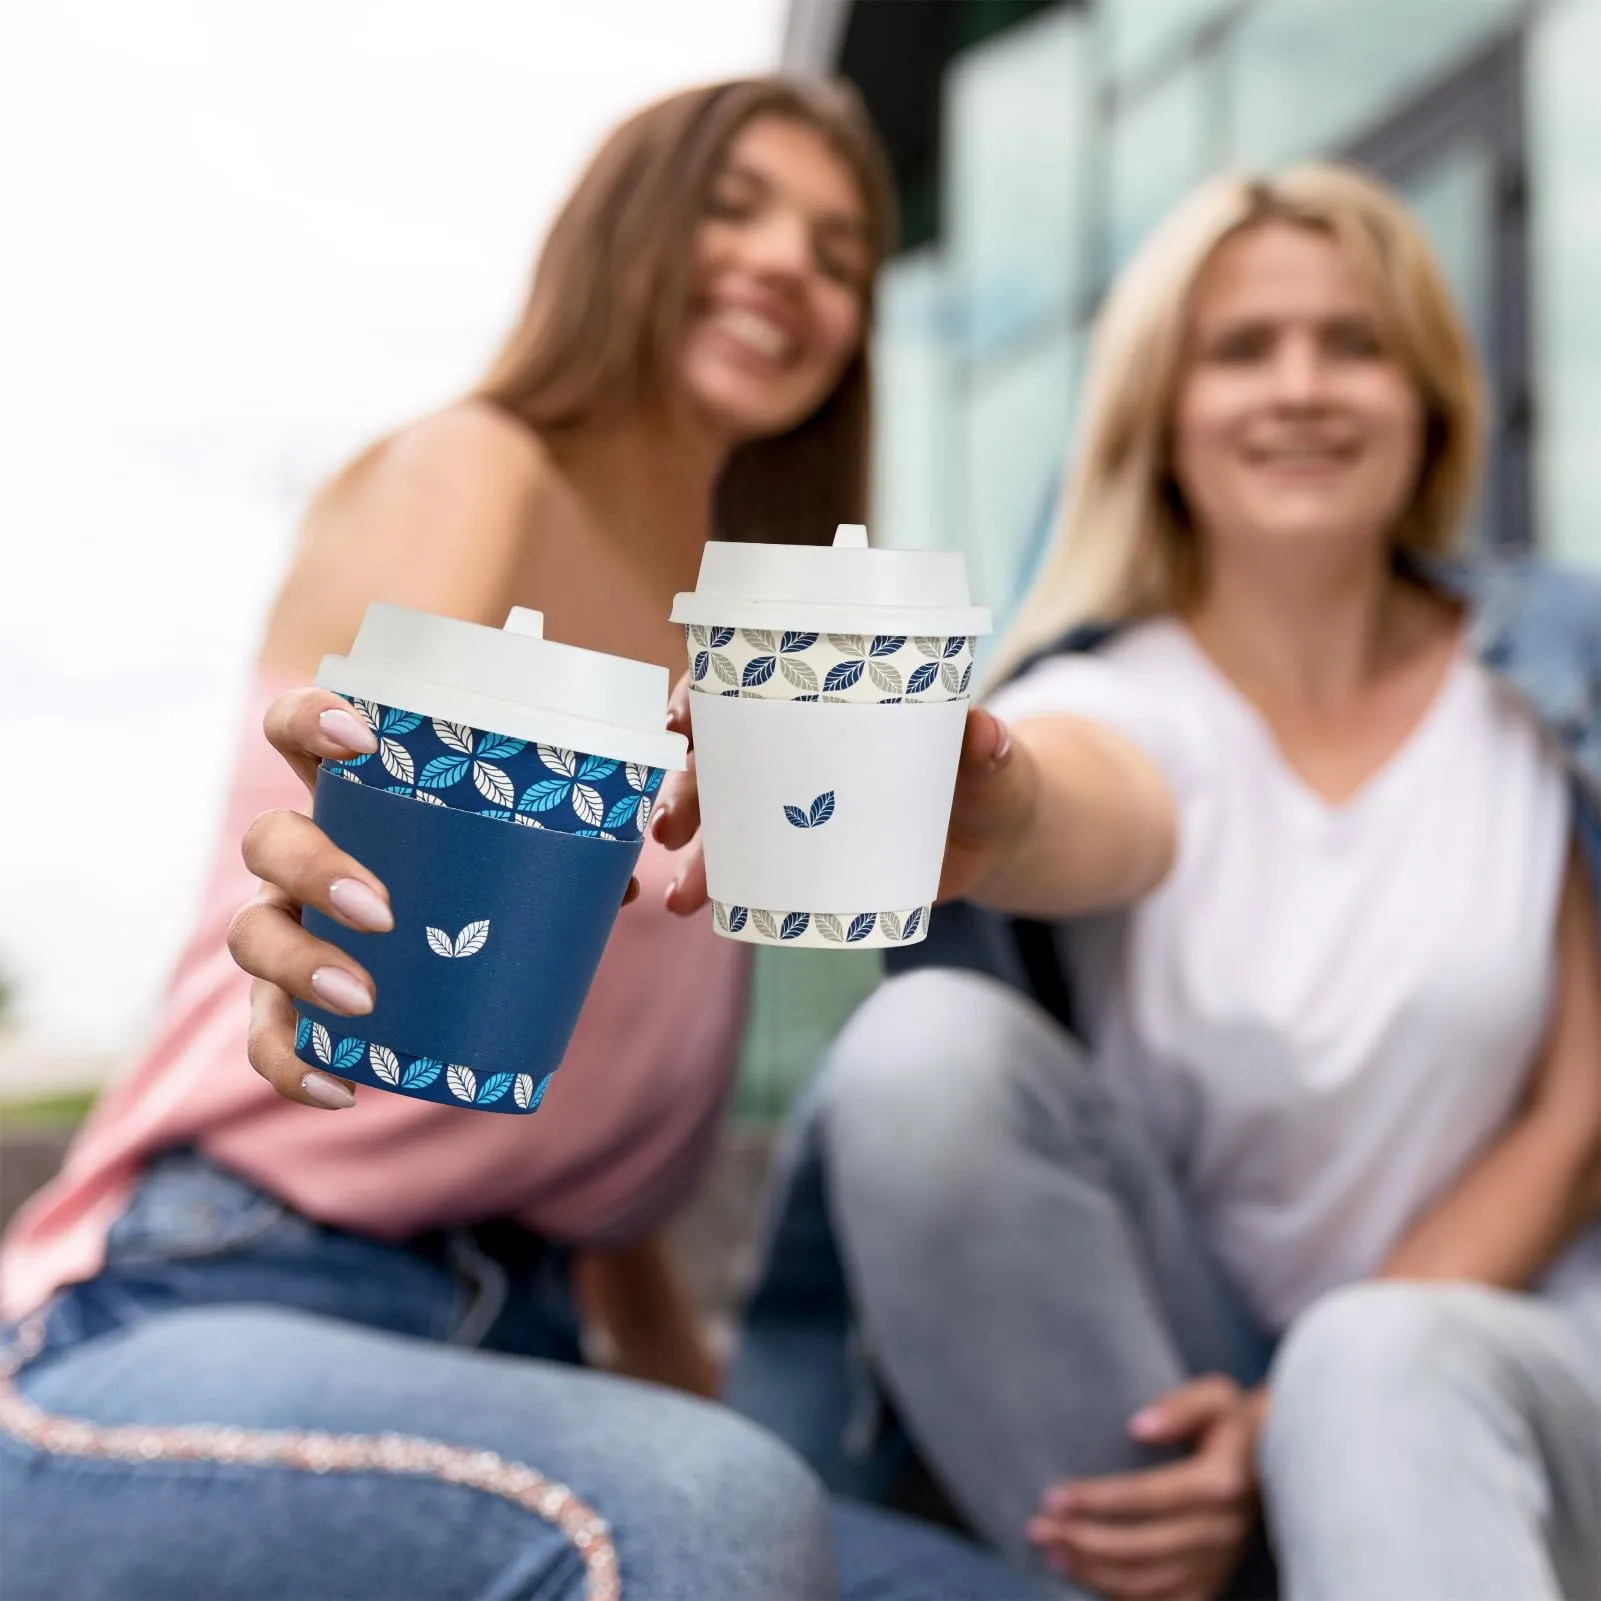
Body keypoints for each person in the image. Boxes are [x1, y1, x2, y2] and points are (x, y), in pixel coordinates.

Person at [0, 78, 1038, 1601]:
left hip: (524, 1343)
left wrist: (700, 1403)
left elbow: (572, 1162)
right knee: (707, 1510)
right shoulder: (472, 470)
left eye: (835, 249)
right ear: (619, 235)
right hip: (195, 1297)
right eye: (732, 208)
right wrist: (337, 879)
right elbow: (376, 855)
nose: (785, 266)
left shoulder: (758, 673)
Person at [692, 165, 1601, 1600]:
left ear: (1427, 393)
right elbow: (1092, 800)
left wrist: (1303, 1399)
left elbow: (1580, 1108)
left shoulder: (1560, 671)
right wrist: (990, 803)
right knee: (920, 1051)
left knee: (1379, 1364)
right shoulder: (1120, 703)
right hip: (1172, 1393)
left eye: (1352, 343)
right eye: (1241, 350)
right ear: (1161, 413)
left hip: (1517, 1357)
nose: (1299, 388)